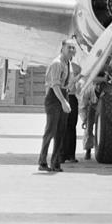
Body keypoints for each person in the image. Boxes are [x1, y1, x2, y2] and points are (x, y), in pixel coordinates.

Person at [38, 39, 75, 172]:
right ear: (62, 48)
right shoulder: (57, 63)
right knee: (50, 131)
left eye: (73, 48)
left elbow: (67, 83)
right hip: (54, 98)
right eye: (69, 47)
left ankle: (55, 162)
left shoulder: (68, 64)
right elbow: (55, 84)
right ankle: (42, 161)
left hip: (63, 94)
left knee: (61, 132)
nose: (72, 50)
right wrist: (63, 101)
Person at [80, 70, 108, 160]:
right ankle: (88, 150)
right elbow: (82, 105)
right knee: (88, 130)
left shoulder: (107, 88)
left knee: (105, 130)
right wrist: (84, 119)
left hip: (104, 108)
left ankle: (104, 149)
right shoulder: (88, 88)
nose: (99, 86)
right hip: (92, 107)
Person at [61, 60, 81, 163]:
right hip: (62, 96)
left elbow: (82, 75)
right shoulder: (57, 65)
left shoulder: (76, 67)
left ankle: (70, 155)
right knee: (63, 127)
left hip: (72, 97)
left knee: (71, 127)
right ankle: (62, 155)